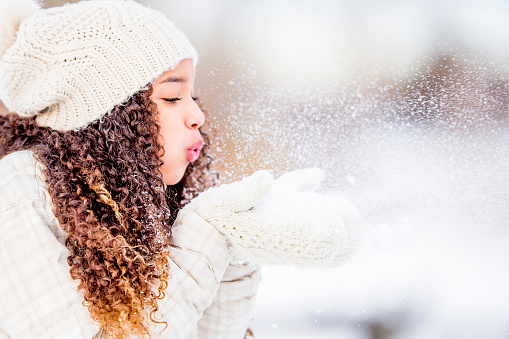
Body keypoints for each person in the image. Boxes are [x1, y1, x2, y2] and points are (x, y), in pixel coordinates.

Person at [0, 1, 361, 338]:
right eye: (172, 97)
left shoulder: (131, 203)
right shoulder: (18, 190)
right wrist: (206, 235)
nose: (198, 115)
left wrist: (238, 250)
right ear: (107, 117)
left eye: (193, 96)